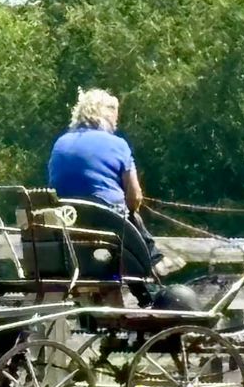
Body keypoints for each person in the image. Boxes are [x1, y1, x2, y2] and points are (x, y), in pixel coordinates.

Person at [47, 88, 163, 272]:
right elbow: (134, 198)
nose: (116, 122)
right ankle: (152, 269)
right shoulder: (118, 144)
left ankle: (152, 263)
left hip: (67, 221)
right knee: (131, 217)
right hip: (107, 221)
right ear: (106, 113)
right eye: (115, 115)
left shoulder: (60, 143)